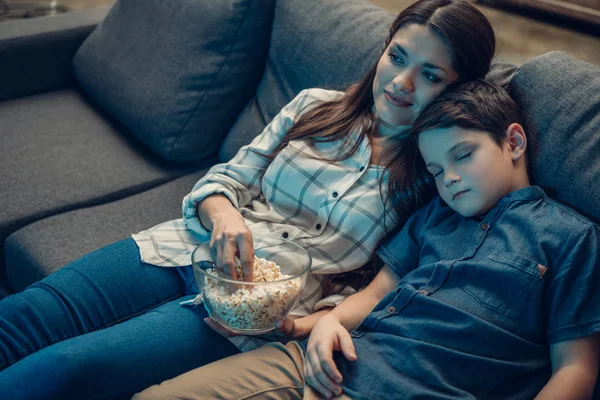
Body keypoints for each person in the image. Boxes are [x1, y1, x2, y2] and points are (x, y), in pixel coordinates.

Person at [0, 1, 497, 399]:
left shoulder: (435, 181)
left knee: (64, 369)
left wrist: (300, 325)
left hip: (246, 314)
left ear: (459, 90)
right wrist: (223, 215)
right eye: (398, 57)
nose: (401, 83)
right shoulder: (315, 106)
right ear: (384, 49)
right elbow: (226, 180)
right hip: (182, 246)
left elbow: (383, 286)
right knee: (26, 315)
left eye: (431, 76)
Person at [134, 80, 600, 400]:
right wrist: (315, 325)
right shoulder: (434, 215)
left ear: (514, 142)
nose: (451, 178)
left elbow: (576, 368)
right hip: (333, 358)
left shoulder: (568, 237)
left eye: (464, 155)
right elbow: (378, 293)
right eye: (437, 171)